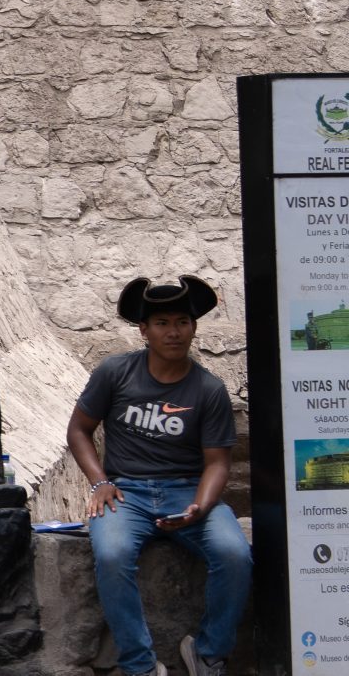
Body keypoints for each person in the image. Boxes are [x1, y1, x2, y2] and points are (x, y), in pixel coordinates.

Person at [66, 275, 249, 676]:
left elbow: (218, 462)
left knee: (235, 554)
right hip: (125, 494)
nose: (174, 332)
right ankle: (141, 666)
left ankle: (208, 654)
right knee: (112, 555)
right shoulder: (115, 373)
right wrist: (100, 482)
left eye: (182, 322)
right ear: (144, 330)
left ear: (194, 327)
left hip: (187, 491)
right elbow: (79, 430)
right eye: (163, 323)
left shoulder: (209, 389)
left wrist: (200, 506)